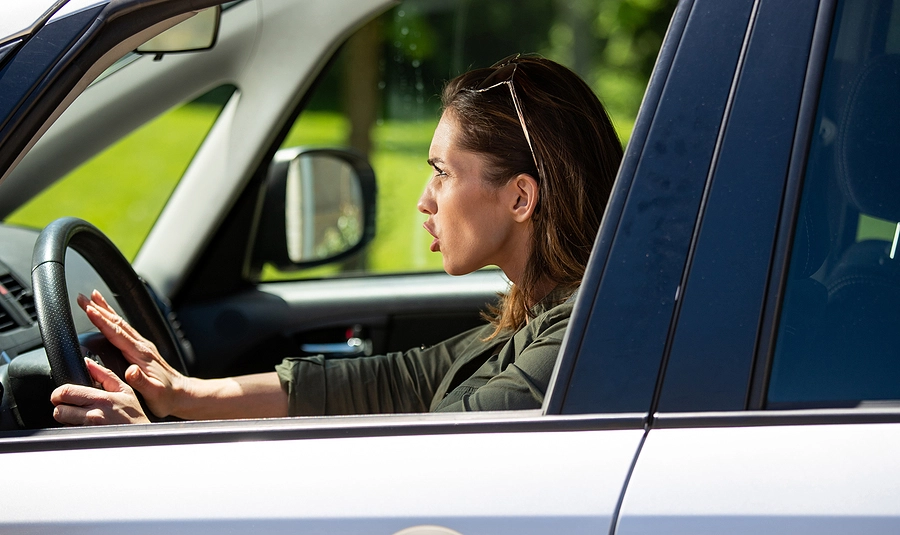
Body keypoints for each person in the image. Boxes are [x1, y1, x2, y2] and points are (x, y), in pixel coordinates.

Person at [50, 54, 623, 425]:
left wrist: (150, 445)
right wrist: (186, 395)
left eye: (443, 172)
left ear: (520, 198)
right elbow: (403, 379)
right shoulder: (544, 316)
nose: (425, 199)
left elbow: (432, 459)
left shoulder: (575, 340)